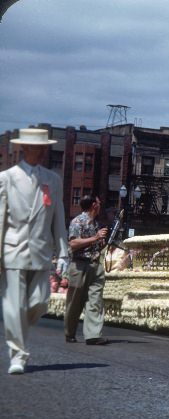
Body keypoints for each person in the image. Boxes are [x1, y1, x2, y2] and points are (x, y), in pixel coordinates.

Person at [0, 128, 69, 375]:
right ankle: (18, 354)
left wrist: (63, 253)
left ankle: (16, 327)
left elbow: (58, 218)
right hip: (12, 249)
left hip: (41, 251)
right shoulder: (7, 178)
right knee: (14, 305)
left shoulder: (53, 179)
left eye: (43, 148)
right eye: (36, 148)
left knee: (39, 302)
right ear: (24, 149)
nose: (40, 153)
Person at [64, 195, 109, 345]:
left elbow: (96, 245)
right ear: (93, 205)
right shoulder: (77, 221)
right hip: (79, 265)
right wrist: (95, 238)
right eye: (98, 202)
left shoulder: (97, 224)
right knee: (74, 302)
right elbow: (73, 243)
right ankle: (70, 332)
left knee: (95, 300)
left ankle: (93, 335)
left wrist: (102, 241)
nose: (100, 204)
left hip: (95, 265)